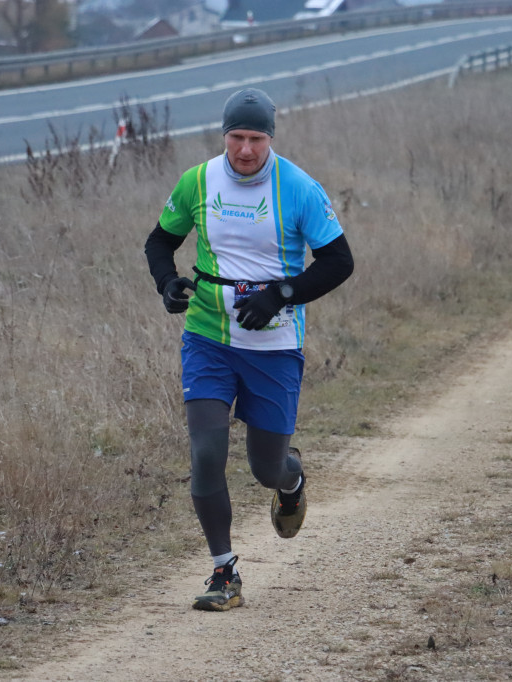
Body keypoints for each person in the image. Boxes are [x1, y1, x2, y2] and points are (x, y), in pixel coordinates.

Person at [144, 88, 354, 611]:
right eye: (236, 137)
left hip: (275, 344)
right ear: (224, 136)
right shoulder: (198, 180)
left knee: (266, 468)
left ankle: (292, 478)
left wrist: (280, 294)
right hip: (208, 337)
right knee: (207, 453)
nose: (244, 150)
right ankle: (224, 571)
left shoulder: (299, 188)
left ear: (270, 139)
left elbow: (338, 262)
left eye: (255, 139)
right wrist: (167, 282)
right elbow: (159, 241)